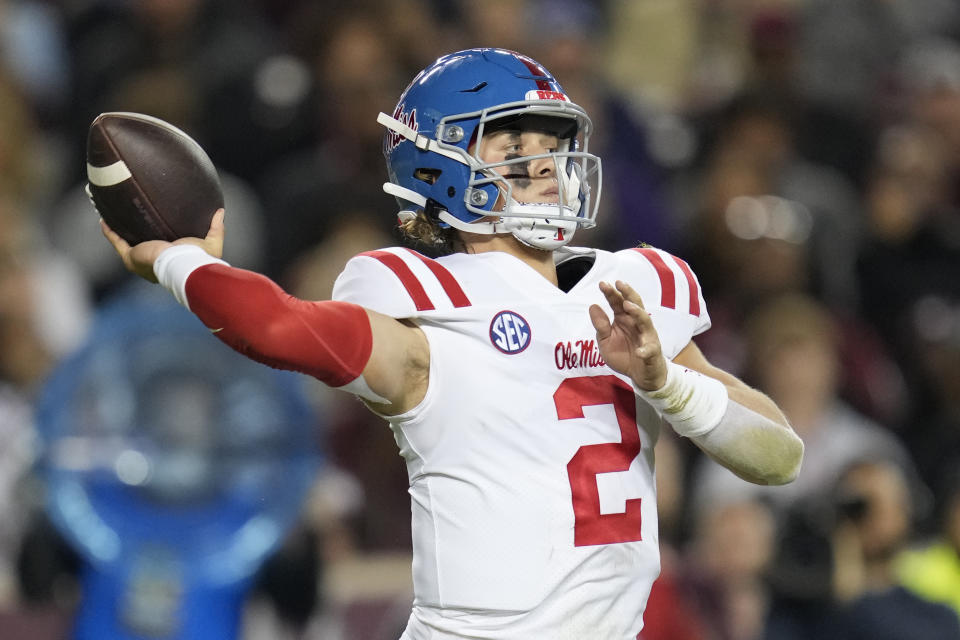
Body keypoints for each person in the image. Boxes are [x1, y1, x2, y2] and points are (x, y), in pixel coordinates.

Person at [99, 48, 803, 640]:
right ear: (440, 167)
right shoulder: (430, 308)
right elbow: (280, 329)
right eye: (514, 148)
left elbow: (779, 458)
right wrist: (178, 259)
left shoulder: (632, 288)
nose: (547, 167)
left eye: (552, 147)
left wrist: (666, 384)